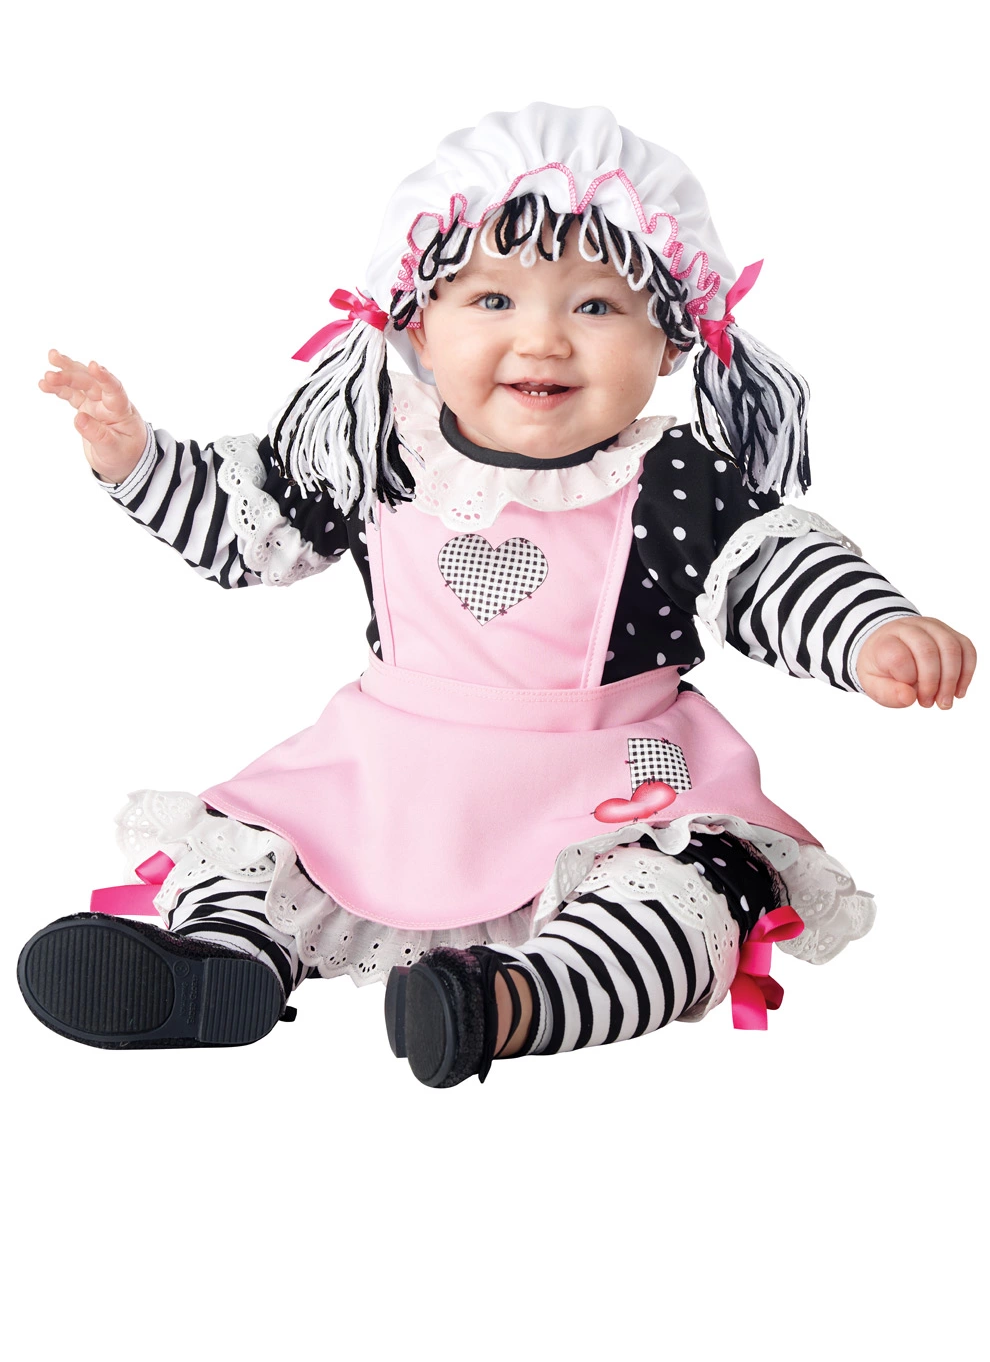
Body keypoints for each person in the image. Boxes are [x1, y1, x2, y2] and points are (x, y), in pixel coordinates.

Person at [17, 103, 976, 1088]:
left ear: (672, 340)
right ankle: (217, 964)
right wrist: (136, 458)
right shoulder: (383, 447)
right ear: (417, 326)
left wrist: (873, 631)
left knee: (686, 895)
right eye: (493, 300)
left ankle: (521, 998)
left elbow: (770, 568)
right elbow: (252, 531)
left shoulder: (673, 480)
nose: (544, 340)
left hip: (608, 778)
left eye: (595, 308)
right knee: (256, 851)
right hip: (391, 772)